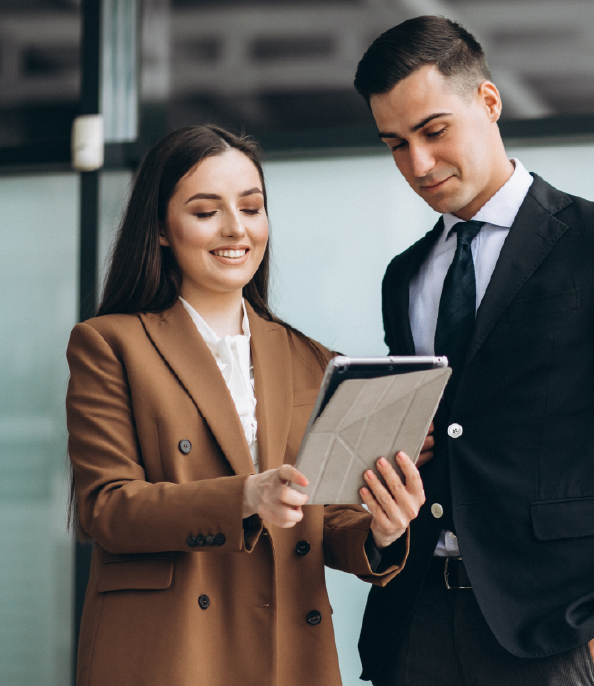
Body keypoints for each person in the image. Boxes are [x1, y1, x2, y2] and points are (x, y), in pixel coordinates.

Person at [66, 124, 427, 686]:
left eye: (252, 208)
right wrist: (246, 496)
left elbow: (326, 518)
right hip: (172, 649)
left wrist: (382, 528)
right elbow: (107, 509)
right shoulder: (111, 344)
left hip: (289, 646)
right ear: (160, 229)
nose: (237, 229)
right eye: (206, 211)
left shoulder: (311, 358)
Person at [352, 15, 594, 686]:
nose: (418, 165)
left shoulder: (587, 243)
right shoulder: (404, 275)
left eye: (433, 132)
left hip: (555, 626)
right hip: (414, 615)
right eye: (395, 144)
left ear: (488, 103)